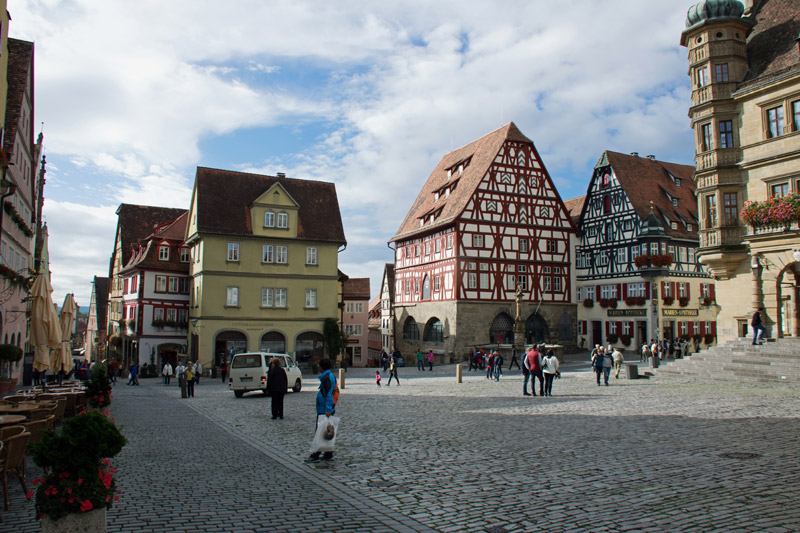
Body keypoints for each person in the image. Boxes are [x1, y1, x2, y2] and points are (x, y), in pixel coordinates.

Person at [305, 358, 337, 463]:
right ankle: (328, 453)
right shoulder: (330, 376)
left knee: (319, 432)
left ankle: (315, 455)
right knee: (327, 431)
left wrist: (328, 409)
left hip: (324, 409)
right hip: (327, 408)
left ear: (322, 367)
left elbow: (328, 394)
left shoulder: (326, 378)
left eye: (319, 366)